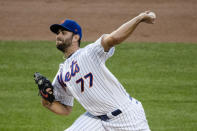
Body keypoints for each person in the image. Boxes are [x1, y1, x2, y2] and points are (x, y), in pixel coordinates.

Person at [42, 11, 156, 131]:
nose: (58, 36)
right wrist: (45, 97)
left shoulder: (90, 52)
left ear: (76, 37)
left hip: (126, 116)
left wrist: (139, 18)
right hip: (97, 120)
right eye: (57, 33)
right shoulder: (62, 73)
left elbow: (114, 38)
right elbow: (65, 109)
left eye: (63, 33)